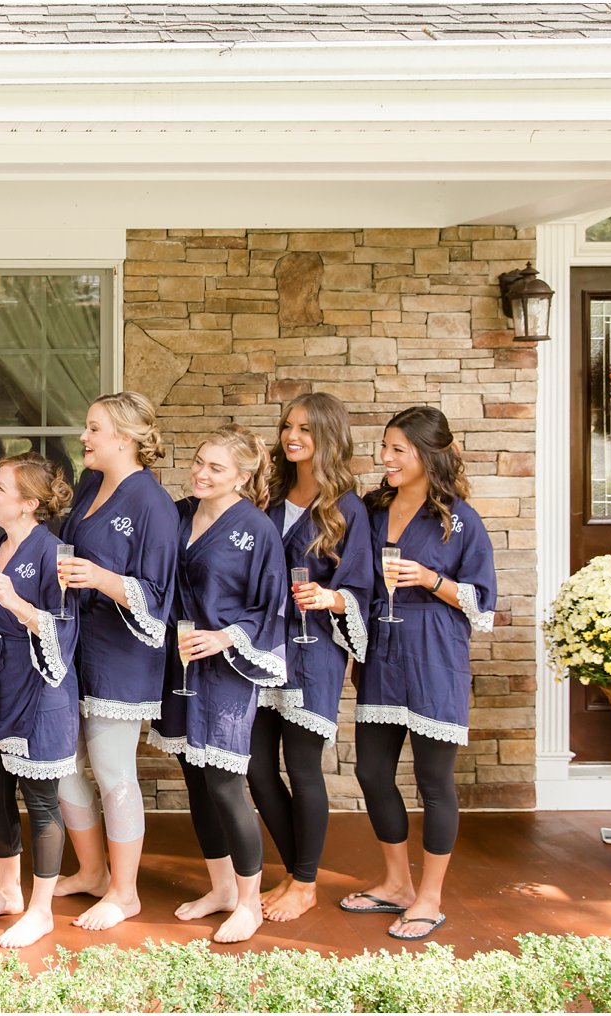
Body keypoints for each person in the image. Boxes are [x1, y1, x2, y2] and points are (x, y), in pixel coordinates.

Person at [341, 406, 497, 941]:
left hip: (435, 656)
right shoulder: (371, 507)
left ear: (427, 454)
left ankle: (430, 898)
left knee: (433, 783)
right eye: (383, 447)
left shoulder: (459, 519)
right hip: (382, 653)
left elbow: (482, 604)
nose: (384, 458)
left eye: (396, 450)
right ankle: (397, 884)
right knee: (371, 773)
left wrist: (430, 579)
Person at [151, 423, 288, 944]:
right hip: (179, 662)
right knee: (196, 780)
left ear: (243, 476)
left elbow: (269, 604)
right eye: (199, 461)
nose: (201, 473)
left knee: (227, 784)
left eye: (216, 467)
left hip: (227, 668)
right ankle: (222, 888)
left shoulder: (255, 530)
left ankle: (250, 903)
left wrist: (226, 638)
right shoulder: (181, 514)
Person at [54, 392, 178, 931]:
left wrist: (101, 579)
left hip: (123, 657)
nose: (84, 437)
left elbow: (159, 594)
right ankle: (92, 872)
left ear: (124, 439)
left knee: (111, 772)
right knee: (64, 767)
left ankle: (125, 893)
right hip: (77, 645)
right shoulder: (88, 485)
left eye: (93, 428)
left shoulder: (153, 504)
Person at [250, 393, 374, 923]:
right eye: (287, 427)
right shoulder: (269, 498)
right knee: (255, 769)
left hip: (312, 651)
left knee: (302, 768)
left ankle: (304, 882)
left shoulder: (348, 508)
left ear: (329, 435)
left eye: (305, 428)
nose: (292, 436)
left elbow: (363, 589)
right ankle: (295, 869)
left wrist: (330, 597)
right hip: (260, 649)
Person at [0, 453, 79, 949]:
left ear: (29, 504)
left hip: (43, 691)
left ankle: (40, 910)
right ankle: (8, 891)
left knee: (41, 801)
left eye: (0, 488)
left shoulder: (56, 555)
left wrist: (16, 602)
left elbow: (66, 631)